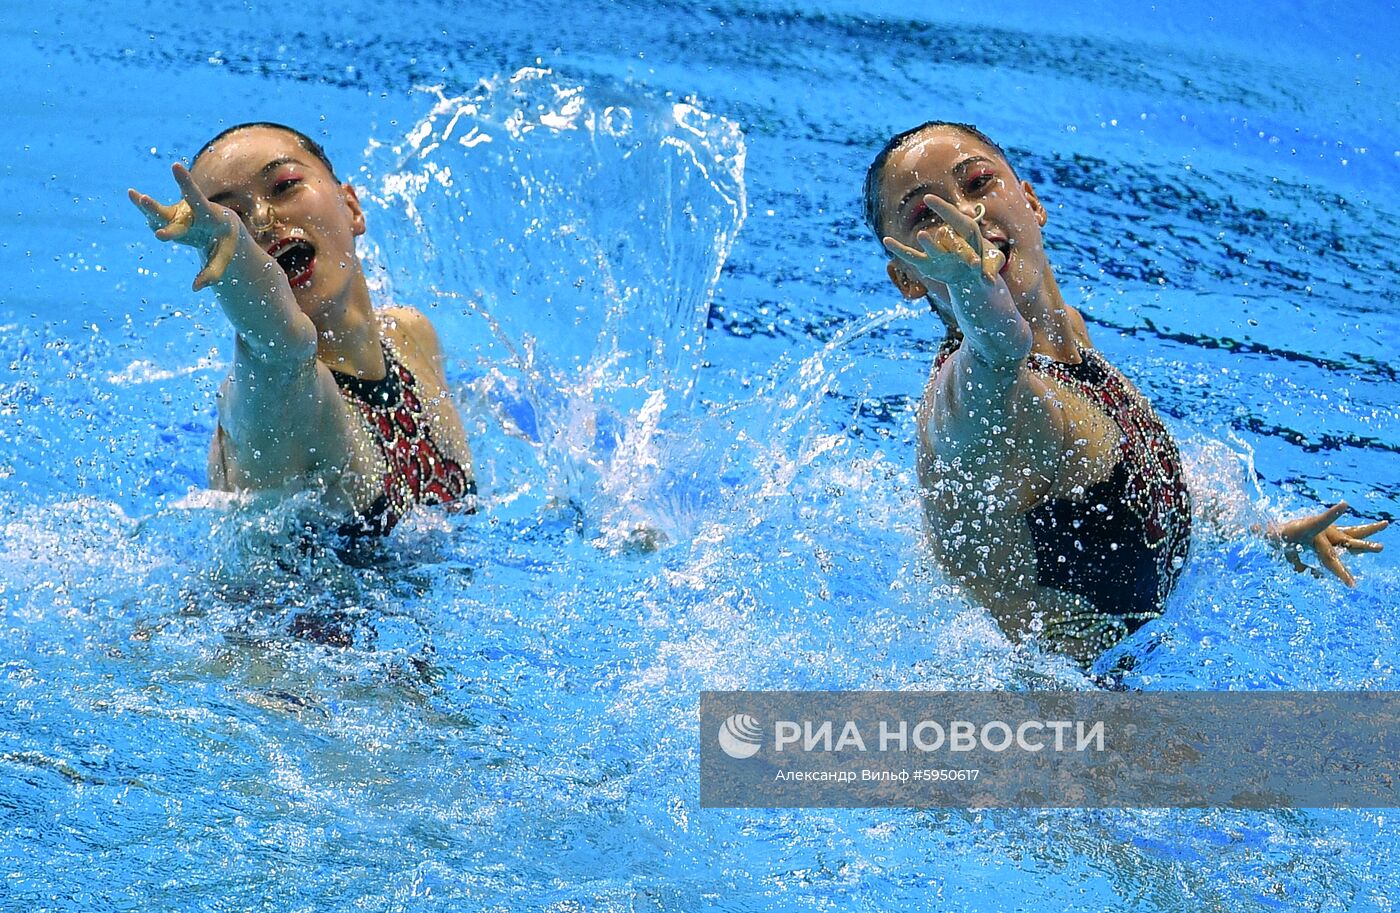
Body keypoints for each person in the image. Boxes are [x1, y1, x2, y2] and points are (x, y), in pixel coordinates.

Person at [864, 121, 1387, 663]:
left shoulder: (1070, 336)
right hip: (1051, 720)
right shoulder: (970, 402)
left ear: (1032, 201)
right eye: (927, 217)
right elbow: (998, 348)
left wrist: (1263, 531)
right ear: (909, 278)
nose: (964, 217)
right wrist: (974, 287)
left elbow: (1143, 481)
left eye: (977, 183)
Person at [130, 123, 476, 538]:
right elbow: (277, 343)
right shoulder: (283, 395)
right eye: (232, 218)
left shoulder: (410, 336)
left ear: (351, 207)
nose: (260, 219)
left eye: (284, 185)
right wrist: (236, 250)